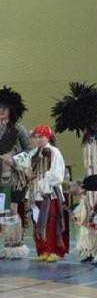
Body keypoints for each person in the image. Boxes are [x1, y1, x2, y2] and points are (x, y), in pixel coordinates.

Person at [51, 82, 97, 265]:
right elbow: (90, 161)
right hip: (93, 180)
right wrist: (85, 181)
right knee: (89, 214)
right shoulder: (89, 136)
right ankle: (91, 248)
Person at [17, 125, 67, 262]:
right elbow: (25, 169)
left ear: (48, 137)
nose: (38, 140)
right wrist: (27, 172)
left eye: (41, 137)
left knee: (50, 222)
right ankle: (42, 250)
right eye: (36, 137)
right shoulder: (32, 153)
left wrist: (41, 176)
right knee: (37, 222)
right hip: (34, 194)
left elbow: (57, 174)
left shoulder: (54, 152)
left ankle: (53, 250)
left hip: (48, 193)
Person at [0, 87, 32, 260]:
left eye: (4, 108)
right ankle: (7, 243)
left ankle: (16, 244)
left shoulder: (18, 129)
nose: (1, 112)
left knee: (12, 210)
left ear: (12, 110)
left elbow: (30, 150)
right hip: (0, 178)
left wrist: (13, 159)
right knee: (1, 212)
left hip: (15, 178)